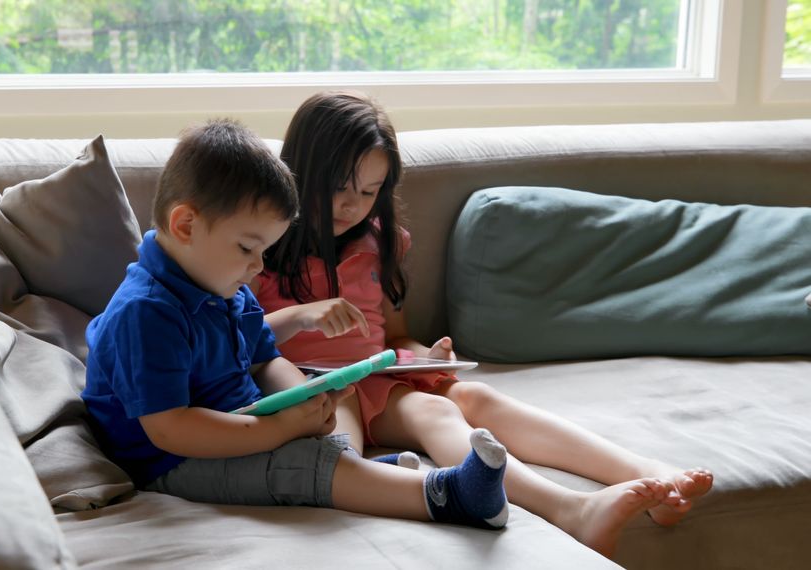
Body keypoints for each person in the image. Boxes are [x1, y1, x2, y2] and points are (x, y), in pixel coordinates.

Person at [252, 90, 712, 559]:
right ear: (300, 171)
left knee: (469, 398)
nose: (352, 206)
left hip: (378, 376)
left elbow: (392, 335)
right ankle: (570, 509)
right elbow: (233, 341)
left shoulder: (381, 243)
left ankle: (644, 470)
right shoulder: (257, 245)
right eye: (339, 187)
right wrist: (302, 315)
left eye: (369, 192)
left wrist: (427, 354)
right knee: (350, 445)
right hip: (314, 387)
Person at [82, 117, 512, 530]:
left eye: (264, 251)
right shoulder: (146, 312)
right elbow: (171, 429)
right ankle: (451, 497)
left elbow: (264, 359)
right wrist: (276, 429)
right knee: (297, 465)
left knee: (311, 442)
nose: (258, 266)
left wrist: (305, 396)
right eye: (248, 248)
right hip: (171, 461)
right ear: (186, 225)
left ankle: (364, 476)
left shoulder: (223, 284)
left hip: (236, 419)